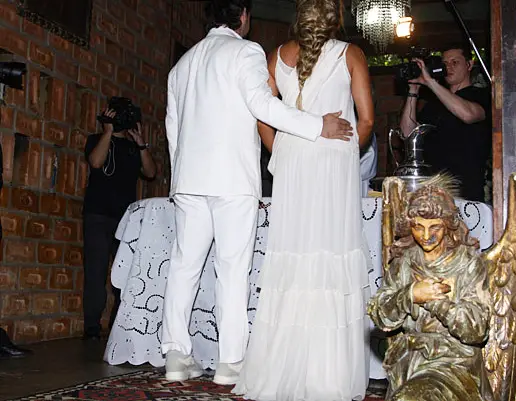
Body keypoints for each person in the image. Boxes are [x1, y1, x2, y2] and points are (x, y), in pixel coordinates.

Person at [161, 0, 354, 384]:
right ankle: (230, 361)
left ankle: (175, 357)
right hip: (232, 178)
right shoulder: (245, 51)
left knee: (183, 266)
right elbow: (263, 104)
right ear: (244, 16)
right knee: (232, 269)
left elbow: (173, 126)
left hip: (188, 179)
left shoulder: (182, 64)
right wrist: (318, 125)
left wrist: (178, 177)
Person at [233, 0, 374, 398]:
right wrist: (346, 153)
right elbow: (366, 120)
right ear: (336, 19)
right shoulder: (351, 53)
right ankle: (331, 372)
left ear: (299, 18)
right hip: (334, 163)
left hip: (292, 162)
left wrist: (279, 151)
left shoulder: (276, 56)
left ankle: (280, 365)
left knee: (293, 252)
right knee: (331, 250)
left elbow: (262, 115)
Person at [368, 183, 493, 401]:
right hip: (409, 360)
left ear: (448, 225)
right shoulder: (404, 263)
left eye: (435, 227)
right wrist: (410, 295)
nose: (426, 235)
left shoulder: (467, 264)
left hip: (454, 362)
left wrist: (436, 302)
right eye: (418, 227)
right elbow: (380, 315)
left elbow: (476, 329)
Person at [83, 99, 156, 340]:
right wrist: (108, 132)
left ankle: (118, 325)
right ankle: (92, 327)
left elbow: (151, 172)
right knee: (95, 272)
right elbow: (96, 162)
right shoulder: (96, 139)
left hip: (126, 221)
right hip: (97, 215)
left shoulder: (134, 148)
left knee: (124, 273)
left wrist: (141, 144)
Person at [400, 44, 491, 202]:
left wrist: (430, 82)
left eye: (455, 62)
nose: (449, 67)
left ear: (469, 65)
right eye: (445, 64)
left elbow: (468, 115)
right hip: (433, 189)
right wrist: (413, 91)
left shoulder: (482, 95)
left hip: (467, 189)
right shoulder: (434, 103)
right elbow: (407, 133)